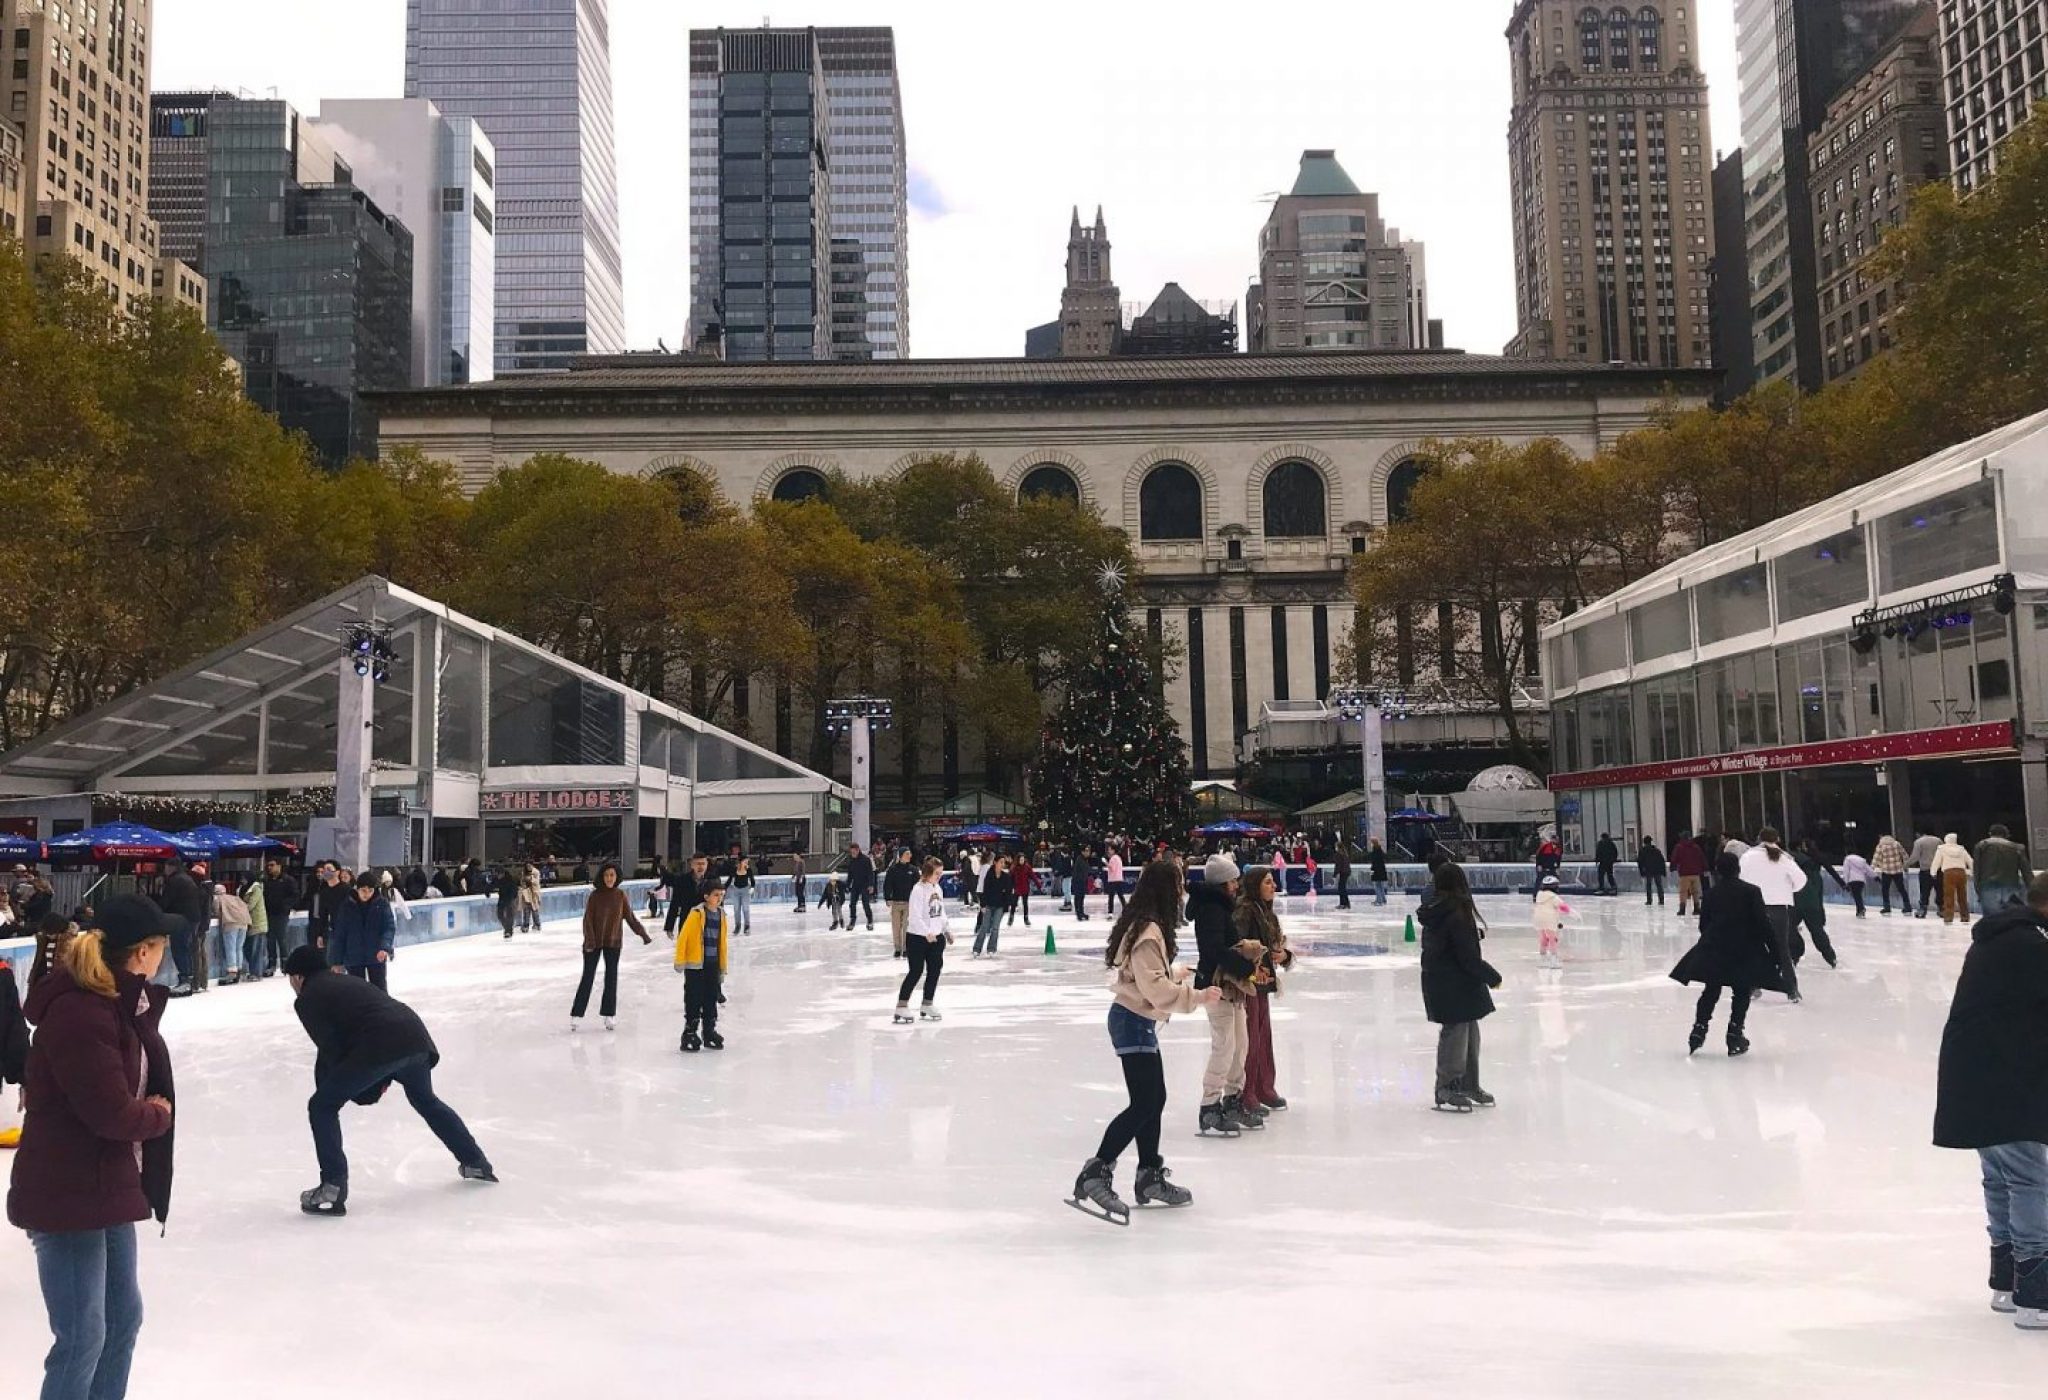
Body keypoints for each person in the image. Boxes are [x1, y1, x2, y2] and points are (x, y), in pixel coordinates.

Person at [8, 894, 179, 1400]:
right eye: (161, 945)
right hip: (67, 1194)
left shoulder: (120, 1006)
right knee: (83, 1337)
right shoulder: (82, 1014)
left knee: (122, 1322)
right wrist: (159, 1114)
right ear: (142, 952)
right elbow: (111, 1112)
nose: (165, 954)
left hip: (106, 1186)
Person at [284, 945, 495, 1217]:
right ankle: (475, 1162)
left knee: (321, 1106)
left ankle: (333, 1185)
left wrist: (365, 1092)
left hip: (382, 1045)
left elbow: (331, 1049)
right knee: (426, 1100)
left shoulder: (309, 997)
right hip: (414, 1037)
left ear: (298, 977)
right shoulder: (345, 980)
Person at [1068, 860, 1220, 1224]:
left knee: (1154, 1099)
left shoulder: (1146, 926)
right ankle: (1096, 1171)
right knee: (1145, 1102)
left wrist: (1176, 973)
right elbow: (1154, 988)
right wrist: (1196, 995)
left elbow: (1147, 977)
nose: (1183, 890)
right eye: (1180, 883)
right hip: (1132, 1020)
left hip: (1138, 1020)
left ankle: (1149, 1173)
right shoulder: (1149, 930)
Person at [1933, 872, 2048, 1328]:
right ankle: (2036, 1294)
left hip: (1976, 1076)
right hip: (2004, 1077)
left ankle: (2007, 1283)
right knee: (2028, 1179)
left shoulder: (2001, 938)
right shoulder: (2029, 946)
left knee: (2001, 1177)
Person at [1671, 851, 1792, 1056]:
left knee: (1711, 989)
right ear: (1738, 869)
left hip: (1716, 947)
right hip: (1743, 949)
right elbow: (1763, 924)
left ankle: (1699, 1030)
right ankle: (1734, 1034)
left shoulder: (1711, 894)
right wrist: (1775, 953)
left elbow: (1704, 925)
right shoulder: (1751, 892)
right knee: (1742, 991)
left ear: (1718, 870)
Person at [1419, 861, 1502, 1112]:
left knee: (1468, 1034)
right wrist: (1491, 976)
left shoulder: (1439, 910)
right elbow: (1466, 956)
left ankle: (1468, 1083)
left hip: (1448, 981)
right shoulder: (1454, 912)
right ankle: (1447, 1087)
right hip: (1454, 981)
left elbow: (1451, 945)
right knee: (1456, 1034)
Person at [570, 863, 651, 1032]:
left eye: (612, 875)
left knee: (611, 978)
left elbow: (630, 918)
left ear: (617, 877)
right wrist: (590, 940)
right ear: (602, 877)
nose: (609, 879)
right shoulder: (595, 896)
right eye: (606, 875)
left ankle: (609, 1014)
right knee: (588, 977)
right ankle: (576, 1014)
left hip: (613, 942)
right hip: (593, 943)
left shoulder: (620, 895)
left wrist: (643, 934)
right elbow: (587, 920)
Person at [1738, 830, 1806, 999]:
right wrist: (1787, 890)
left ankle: (1753, 986)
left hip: (1753, 907)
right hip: (1778, 908)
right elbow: (1801, 880)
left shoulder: (1747, 856)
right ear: (1777, 839)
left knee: (1754, 947)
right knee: (1782, 948)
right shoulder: (1784, 858)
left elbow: (1741, 878)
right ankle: (1792, 990)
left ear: (1759, 839)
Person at [672, 880, 732, 1053]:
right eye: (716, 895)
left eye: (721, 895)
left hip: (712, 965)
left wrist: (722, 965)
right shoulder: (696, 914)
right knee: (693, 998)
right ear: (706, 896)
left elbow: (722, 943)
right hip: (696, 966)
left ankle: (709, 1031)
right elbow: (684, 937)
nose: (719, 898)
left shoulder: (721, 915)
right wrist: (680, 960)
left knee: (711, 998)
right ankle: (690, 1032)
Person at [894, 858, 949, 1024]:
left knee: (935, 970)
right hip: (917, 938)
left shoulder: (937, 888)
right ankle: (901, 1005)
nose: (939, 876)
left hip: (936, 938)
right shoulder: (917, 890)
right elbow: (915, 916)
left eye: (940, 873)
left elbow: (940, 912)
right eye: (936, 873)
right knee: (916, 971)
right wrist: (926, 933)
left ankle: (927, 1003)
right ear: (927, 873)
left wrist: (946, 930)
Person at [329, 873, 396, 991]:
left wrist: (384, 947)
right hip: (353, 956)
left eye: (370, 890)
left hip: (376, 955)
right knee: (356, 993)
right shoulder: (347, 906)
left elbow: (388, 927)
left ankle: (380, 1010)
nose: (367, 894)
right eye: (363, 890)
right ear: (357, 889)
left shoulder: (382, 904)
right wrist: (337, 961)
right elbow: (340, 934)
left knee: (379, 991)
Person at [158, 856, 209, 997]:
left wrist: (156, 911)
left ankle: (185, 980)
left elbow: (166, 901)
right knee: (187, 949)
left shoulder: (175, 881)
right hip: (192, 918)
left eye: (166, 866)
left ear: (171, 867)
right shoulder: (186, 879)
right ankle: (189, 980)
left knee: (179, 948)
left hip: (181, 919)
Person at [1791, 839, 1841, 969]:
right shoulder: (1816, 874)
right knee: (1817, 930)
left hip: (1795, 903)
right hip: (1811, 905)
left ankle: (1795, 954)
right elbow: (1818, 894)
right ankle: (1831, 957)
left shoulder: (1792, 864)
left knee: (1789, 928)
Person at [1974, 824, 2034, 915]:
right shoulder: (2017, 847)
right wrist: (2033, 889)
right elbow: (2026, 871)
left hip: (1987, 886)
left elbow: (1976, 870)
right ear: (2006, 834)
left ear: (1990, 833)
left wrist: (1978, 889)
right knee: (2011, 917)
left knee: (1991, 919)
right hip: (2011, 885)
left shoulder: (1981, 846)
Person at [213, 878, 253, 986]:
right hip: (244, 923)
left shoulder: (217, 899)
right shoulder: (235, 898)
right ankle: (239, 969)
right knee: (239, 947)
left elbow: (216, 911)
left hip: (231, 924)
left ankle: (232, 972)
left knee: (231, 948)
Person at [662, 853, 710, 941]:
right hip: (687, 920)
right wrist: (669, 926)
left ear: (707, 865)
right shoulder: (682, 880)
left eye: (703, 864)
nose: (701, 866)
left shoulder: (712, 880)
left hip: (706, 922)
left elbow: (718, 902)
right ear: (692, 865)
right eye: (698, 864)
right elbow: (675, 903)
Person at [27, 911, 76, 994]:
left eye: (50, 932)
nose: (48, 935)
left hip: (60, 985)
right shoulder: (44, 940)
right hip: (45, 982)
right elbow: (39, 964)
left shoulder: (68, 942)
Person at [1933, 831, 1975, 925]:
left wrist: (1933, 872)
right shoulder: (1961, 849)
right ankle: (1965, 916)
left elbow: (1937, 861)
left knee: (1949, 896)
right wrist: (1972, 872)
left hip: (1949, 873)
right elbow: (1970, 861)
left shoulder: (1942, 849)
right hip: (1961, 872)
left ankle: (1948, 917)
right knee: (1962, 895)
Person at [973, 854, 1012, 957]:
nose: (1002, 864)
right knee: (984, 927)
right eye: (1001, 862)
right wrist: (983, 905)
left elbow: (1008, 892)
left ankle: (991, 948)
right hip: (989, 905)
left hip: (1000, 906)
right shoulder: (989, 875)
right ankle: (977, 948)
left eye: (1004, 863)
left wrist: (1006, 906)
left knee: (995, 928)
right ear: (995, 862)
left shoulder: (1005, 877)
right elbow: (985, 890)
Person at [882, 847, 917, 958]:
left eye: (910, 854)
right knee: (896, 927)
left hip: (909, 903)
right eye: (907, 854)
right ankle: (897, 948)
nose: (909, 856)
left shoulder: (914, 870)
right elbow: (887, 885)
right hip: (896, 903)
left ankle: (906, 948)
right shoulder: (893, 870)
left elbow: (917, 887)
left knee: (907, 927)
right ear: (901, 855)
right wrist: (887, 898)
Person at [1535, 874, 1569, 969]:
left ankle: (1542, 960)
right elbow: (1563, 907)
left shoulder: (1539, 895)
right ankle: (1553, 961)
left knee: (1543, 940)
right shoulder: (1553, 897)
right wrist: (1572, 912)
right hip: (1549, 920)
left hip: (1538, 919)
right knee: (1552, 940)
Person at [1872, 832, 1910, 915]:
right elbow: (1904, 855)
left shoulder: (1880, 846)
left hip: (1886, 871)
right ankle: (1907, 908)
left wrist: (1872, 868)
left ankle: (1887, 908)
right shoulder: (1896, 844)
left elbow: (1876, 858)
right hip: (1898, 870)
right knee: (1901, 889)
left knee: (1885, 890)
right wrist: (1905, 866)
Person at [1671, 833, 1708, 916]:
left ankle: (1682, 909)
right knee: (1696, 891)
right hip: (1695, 873)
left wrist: (1673, 867)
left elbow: (1674, 858)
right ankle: (1697, 907)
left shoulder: (1679, 847)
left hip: (1684, 873)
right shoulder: (1696, 847)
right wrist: (1705, 868)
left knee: (1683, 892)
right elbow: (1702, 858)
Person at [1910, 828, 1943, 918]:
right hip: (1938, 870)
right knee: (1940, 890)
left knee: (1924, 891)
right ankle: (1942, 908)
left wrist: (1906, 864)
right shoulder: (1938, 840)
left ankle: (1922, 909)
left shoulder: (1918, 842)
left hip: (1925, 870)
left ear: (1919, 833)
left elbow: (1915, 857)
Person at [845, 844, 877, 931]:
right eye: (851, 852)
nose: (852, 853)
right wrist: (847, 885)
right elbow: (850, 875)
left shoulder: (866, 860)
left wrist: (871, 885)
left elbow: (871, 873)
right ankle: (852, 920)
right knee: (852, 904)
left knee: (865, 903)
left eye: (854, 852)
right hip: (855, 885)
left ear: (858, 850)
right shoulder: (851, 861)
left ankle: (870, 920)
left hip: (865, 885)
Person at [1839, 848, 1874, 918]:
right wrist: (1875, 876)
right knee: (1858, 895)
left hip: (1853, 880)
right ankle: (1859, 910)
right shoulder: (1861, 860)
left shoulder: (1847, 859)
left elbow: (1846, 871)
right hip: (1861, 880)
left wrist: (1845, 882)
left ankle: (1861, 909)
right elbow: (1868, 869)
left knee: (1857, 896)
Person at [729, 857, 756, 937]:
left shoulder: (748, 870)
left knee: (745, 909)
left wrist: (752, 888)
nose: (747, 863)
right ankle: (737, 926)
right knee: (736, 909)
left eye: (747, 862)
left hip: (745, 890)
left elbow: (752, 880)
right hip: (736, 890)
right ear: (741, 862)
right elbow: (730, 880)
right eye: (745, 861)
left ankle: (747, 926)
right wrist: (723, 888)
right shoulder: (735, 869)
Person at [1638, 836, 1668, 907]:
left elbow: (1640, 862)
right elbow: (1661, 861)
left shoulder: (1642, 851)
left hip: (1648, 870)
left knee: (1648, 885)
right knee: (1659, 885)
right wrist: (1663, 871)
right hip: (1657, 870)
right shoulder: (1656, 850)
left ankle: (1649, 900)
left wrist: (1642, 871)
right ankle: (1661, 900)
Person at [1010, 850, 1035, 927]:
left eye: (1023, 860)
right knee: (1014, 904)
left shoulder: (1027, 867)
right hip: (1017, 889)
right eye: (1020, 860)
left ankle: (1026, 919)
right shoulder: (1013, 868)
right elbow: (1010, 878)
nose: (1022, 861)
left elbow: (1033, 876)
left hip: (1025, 889)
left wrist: (1039, 885)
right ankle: (1011, 918)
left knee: (1025, 904)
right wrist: (1009, 887)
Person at [517, 861, 543, 933]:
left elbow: (537, 882)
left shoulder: (536, 872)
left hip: (534, 893)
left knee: (535, 910)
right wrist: (523, 885)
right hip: (526, 894)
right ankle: (526, 925)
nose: (528, 867)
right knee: (526, 911)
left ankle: (537, 924)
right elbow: (522, 882)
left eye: (529, 865)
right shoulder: (524, 872)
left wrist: (530, 879)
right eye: (527, 866)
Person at [1104, 847, 1126, 916]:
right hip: (1119, 879)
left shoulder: (1113, 858)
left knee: (1111, 897)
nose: (1108, 851)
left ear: (1113, 850)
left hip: (1113, 879)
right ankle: (1126, 909)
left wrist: (1105, 862)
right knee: (1120, 895)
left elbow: (1112, 868)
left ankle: (1110, 912)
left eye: (1110, 850)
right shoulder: (1119, 858)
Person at [1368, 838, 1390, 906]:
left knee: (1377, 886)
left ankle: (1379, 900)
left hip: (1377, 871)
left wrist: (1372, 870)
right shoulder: (1380, 850)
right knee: (1381, 886)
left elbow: (1374, 862)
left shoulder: (1375, 851)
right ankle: (1383, 899)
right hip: (1381, 871)